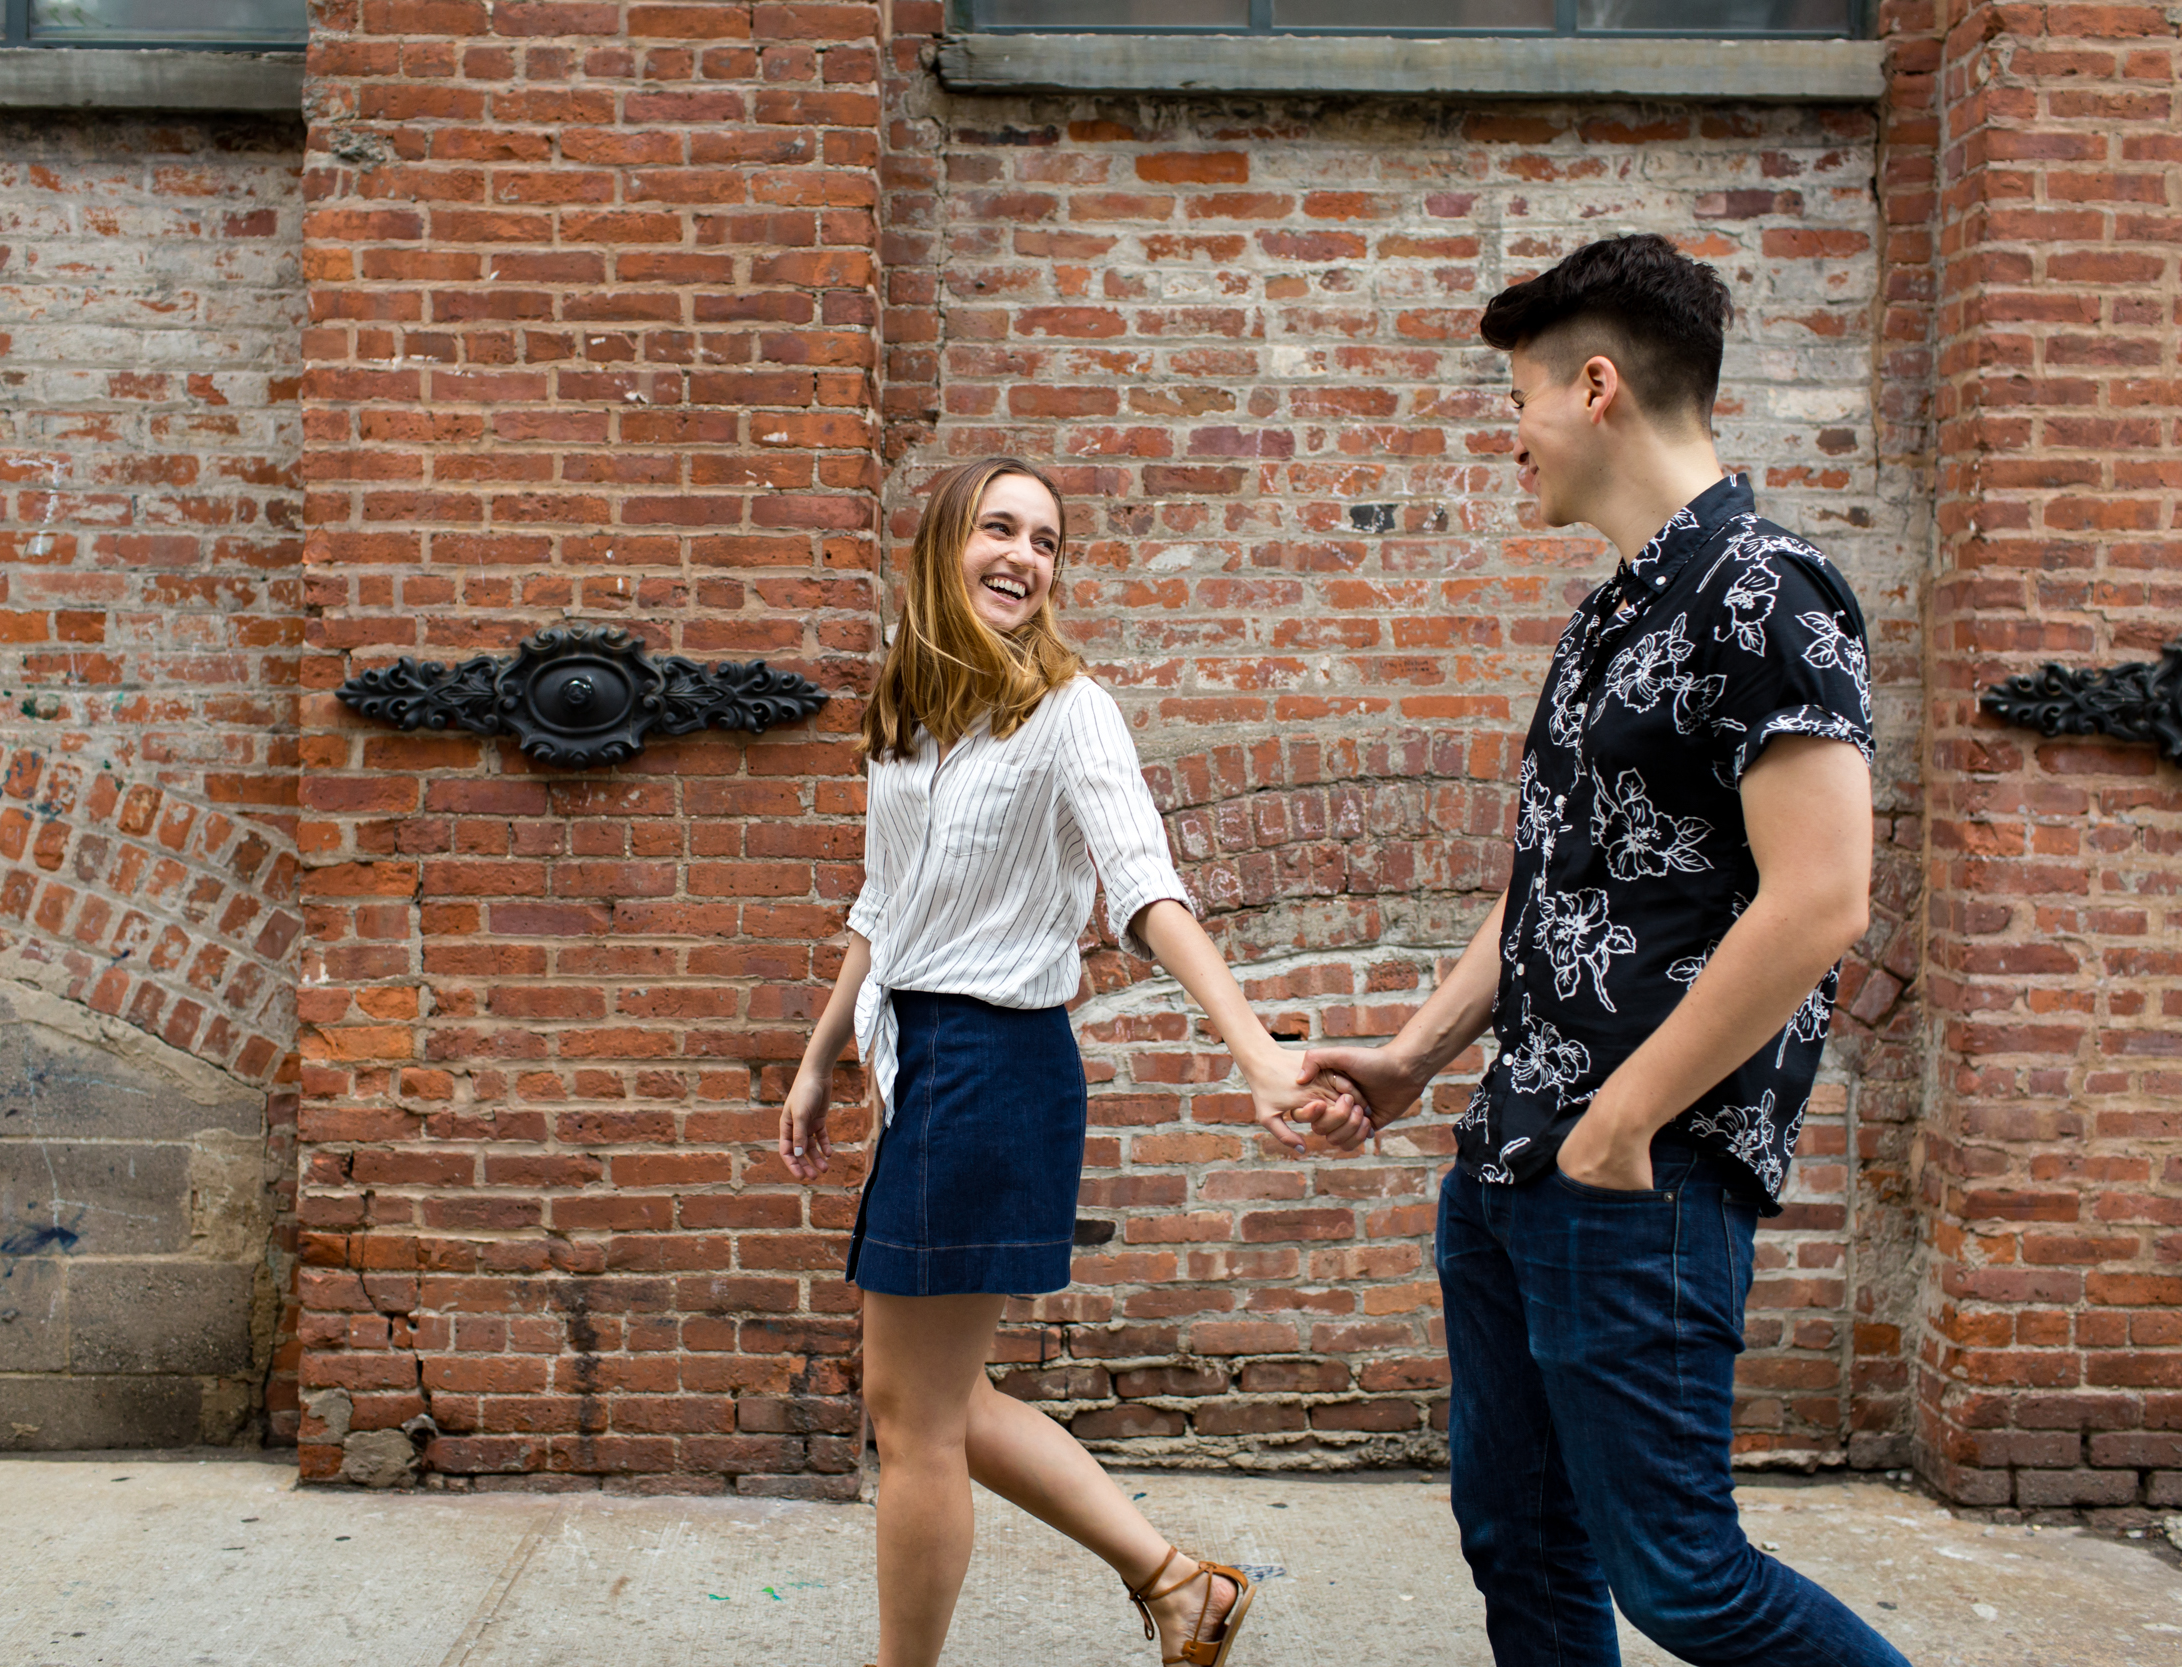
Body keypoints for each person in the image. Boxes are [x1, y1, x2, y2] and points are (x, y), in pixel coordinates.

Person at [1298, 235, 1914, 1667]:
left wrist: (1625, 1119)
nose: (1511, 439)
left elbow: (1821, 900)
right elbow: (1544, 892)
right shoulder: (1609, 613)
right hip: (1512, 1162)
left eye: (1518, 400)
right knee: (1522, 1543)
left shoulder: (1772, 593)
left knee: (1688, 1579)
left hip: (1644, 1177)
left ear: (1594, 389)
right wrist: (1407, 1060)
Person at [779, 456, 1353, 1667]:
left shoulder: (1070, 709)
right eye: (999, 529)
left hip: (992, 1067)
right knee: (938, 1405)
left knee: (914, 1419)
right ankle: (1178, 1585)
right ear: (944, 545)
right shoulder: (909, 705)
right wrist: (821, 1054)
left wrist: (1254, 1045)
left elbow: (1145, 887)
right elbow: (886, 902)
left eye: (1045, 541)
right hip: (921, 1062)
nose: (1023, 558)